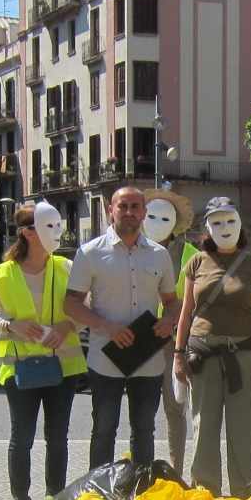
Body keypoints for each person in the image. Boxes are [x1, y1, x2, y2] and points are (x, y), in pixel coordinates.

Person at [0, 202, 86, 500]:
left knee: (57, 438)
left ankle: (55, 498)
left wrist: (67, 325)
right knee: (22, 439)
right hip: (20, 369)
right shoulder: (2, 274)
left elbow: (84, 308)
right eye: (48, 227)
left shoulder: (65, 267)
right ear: (28, 233)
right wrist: (11, 326)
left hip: (62, 366)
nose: (57, 232)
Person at [63, 185, 179, 471]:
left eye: (135, 207)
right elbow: (71, 304)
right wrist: (105, 326)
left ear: (143, 213)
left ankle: (140, 490)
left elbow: (172, 302)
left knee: (144, 430)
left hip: (148, 360)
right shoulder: (89, 253)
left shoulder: (159, 255)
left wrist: (169, 320)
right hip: (105, 358)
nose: (129, 212)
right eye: (122, 206)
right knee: (104, 430)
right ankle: (99, 491)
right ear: (110, 210)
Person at [173, 198, 251, 495]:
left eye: (230, 220)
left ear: (240, 224)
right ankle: (206, 495)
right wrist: (178, 356)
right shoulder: (196, 262)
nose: (224, 228)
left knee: (243, 430)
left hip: (245, 357)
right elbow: (186, 312)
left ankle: (244, 494)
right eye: (217, 222)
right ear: (207, 228)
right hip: (202, 355)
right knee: (203, 427)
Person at [142, 187, 197, 472]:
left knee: (175, 409)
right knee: (142, 411)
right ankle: (143, 468)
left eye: (165, 218)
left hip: (174, 343)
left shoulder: (192, 256)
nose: (157, 223)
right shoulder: (132, 250)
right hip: (138, 341)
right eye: (151, 216)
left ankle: (176, 468)